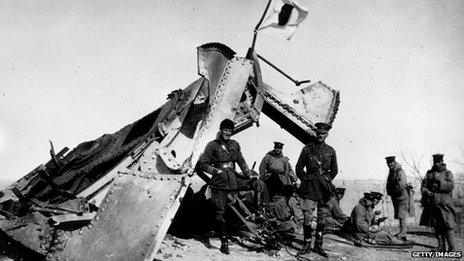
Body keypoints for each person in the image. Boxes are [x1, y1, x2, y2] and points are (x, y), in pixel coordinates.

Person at [199, 118, 264, 254]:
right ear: (221, 130)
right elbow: (203, 164)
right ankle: (224, 241)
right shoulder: (212, 145)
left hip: (233, 178)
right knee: (219, 213)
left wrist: (249, 174)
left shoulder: (235, 144)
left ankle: (258, 214)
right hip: (219, 182)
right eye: (225, 130)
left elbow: (241, 161)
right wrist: (215, 171)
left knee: (257, 183)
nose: (227, 133)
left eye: (229, 130)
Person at [295, 122, 338, 257]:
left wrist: (327, 179)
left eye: (323, 133)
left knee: (322, 217)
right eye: (318, 133)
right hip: (310, 188)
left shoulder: (331, 151)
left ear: (327, 134)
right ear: (316, 133)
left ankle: (318, 245)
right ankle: (307, 243)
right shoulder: (307, 149)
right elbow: (298, 168)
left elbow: (334, 170)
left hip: (324, 188)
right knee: (307, 216)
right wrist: (306, 180)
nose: (320, 135)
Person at [420, 154, 457, 251]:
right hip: (433, 202)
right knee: (436, 225)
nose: (436, 163)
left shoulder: (448, 173)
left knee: (448, 224)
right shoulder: (429, 173)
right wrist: (426, 192)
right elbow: (423, 186)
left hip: (445, 202)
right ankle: (441, 246)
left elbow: (451, 186)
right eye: (435, 161)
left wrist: (439, 182)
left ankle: (452, 248)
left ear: (442, 161)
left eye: (438, 161)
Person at [385, 156, 412, 240]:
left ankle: (403, 232)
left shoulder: (400, 171)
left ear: (394, 162)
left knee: (402, 214)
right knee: (399, 214)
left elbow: (401, 185)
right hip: (396, 196)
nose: (389, 164)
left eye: (391, 163)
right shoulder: (392, 172)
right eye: (388, 163)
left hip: (401, 196)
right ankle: (402, 231)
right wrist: (389, 192)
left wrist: (393, 191)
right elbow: (388, 183)